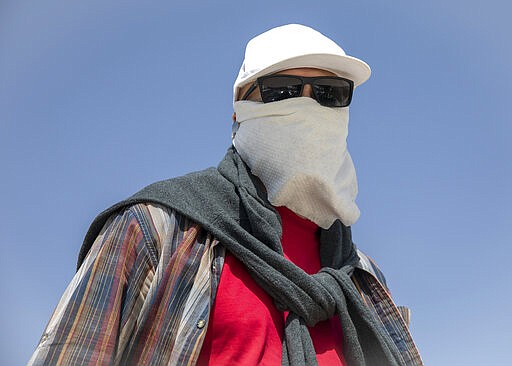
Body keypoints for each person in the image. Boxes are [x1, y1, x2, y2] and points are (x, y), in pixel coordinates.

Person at [29, 24, 423, 366]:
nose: (307, 105)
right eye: (281, 90)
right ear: (238, 111)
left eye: (329, 93)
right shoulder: (157, 229)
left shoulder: (361, 277)